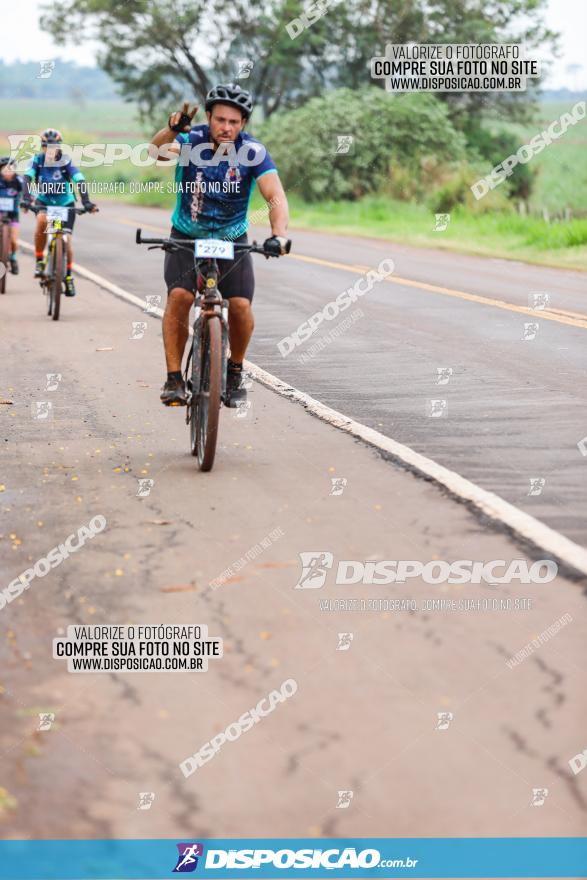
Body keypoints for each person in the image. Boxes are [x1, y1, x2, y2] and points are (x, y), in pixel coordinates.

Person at [150, 83, 290, 407]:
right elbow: (155, 152)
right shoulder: (190, 141)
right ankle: (173, 379)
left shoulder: (252, 151)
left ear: (243, 125)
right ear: (209, 117)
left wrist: (278, 234)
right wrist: (170, 131)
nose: (226, 128)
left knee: (240, 306)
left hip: (230, 238)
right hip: (187, 234)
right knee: (180, 296)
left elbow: (275, 196)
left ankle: (235, 370)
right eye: (221, 120)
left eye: (234, 122)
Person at [21, 128, 97, 296]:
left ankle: (68, 277)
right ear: (42, 147)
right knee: (42, 222)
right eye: (46, 146)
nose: (50, 149)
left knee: (66, 239)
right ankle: (40, 260)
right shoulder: (37, 160)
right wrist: (26, 199)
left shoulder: (65, 161)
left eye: (53, 146)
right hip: (45, 201)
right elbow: (27, 178)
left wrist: (86, 202)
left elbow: (79, 179)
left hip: (65, 202)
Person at [0, 157, 23, 274]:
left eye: (10, 169)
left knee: (14, 240)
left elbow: (28, 192)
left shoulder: (19, 180)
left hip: (13, 214)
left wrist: (29, 200)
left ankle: (13, 258)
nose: (8, 172)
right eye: (4, 170)